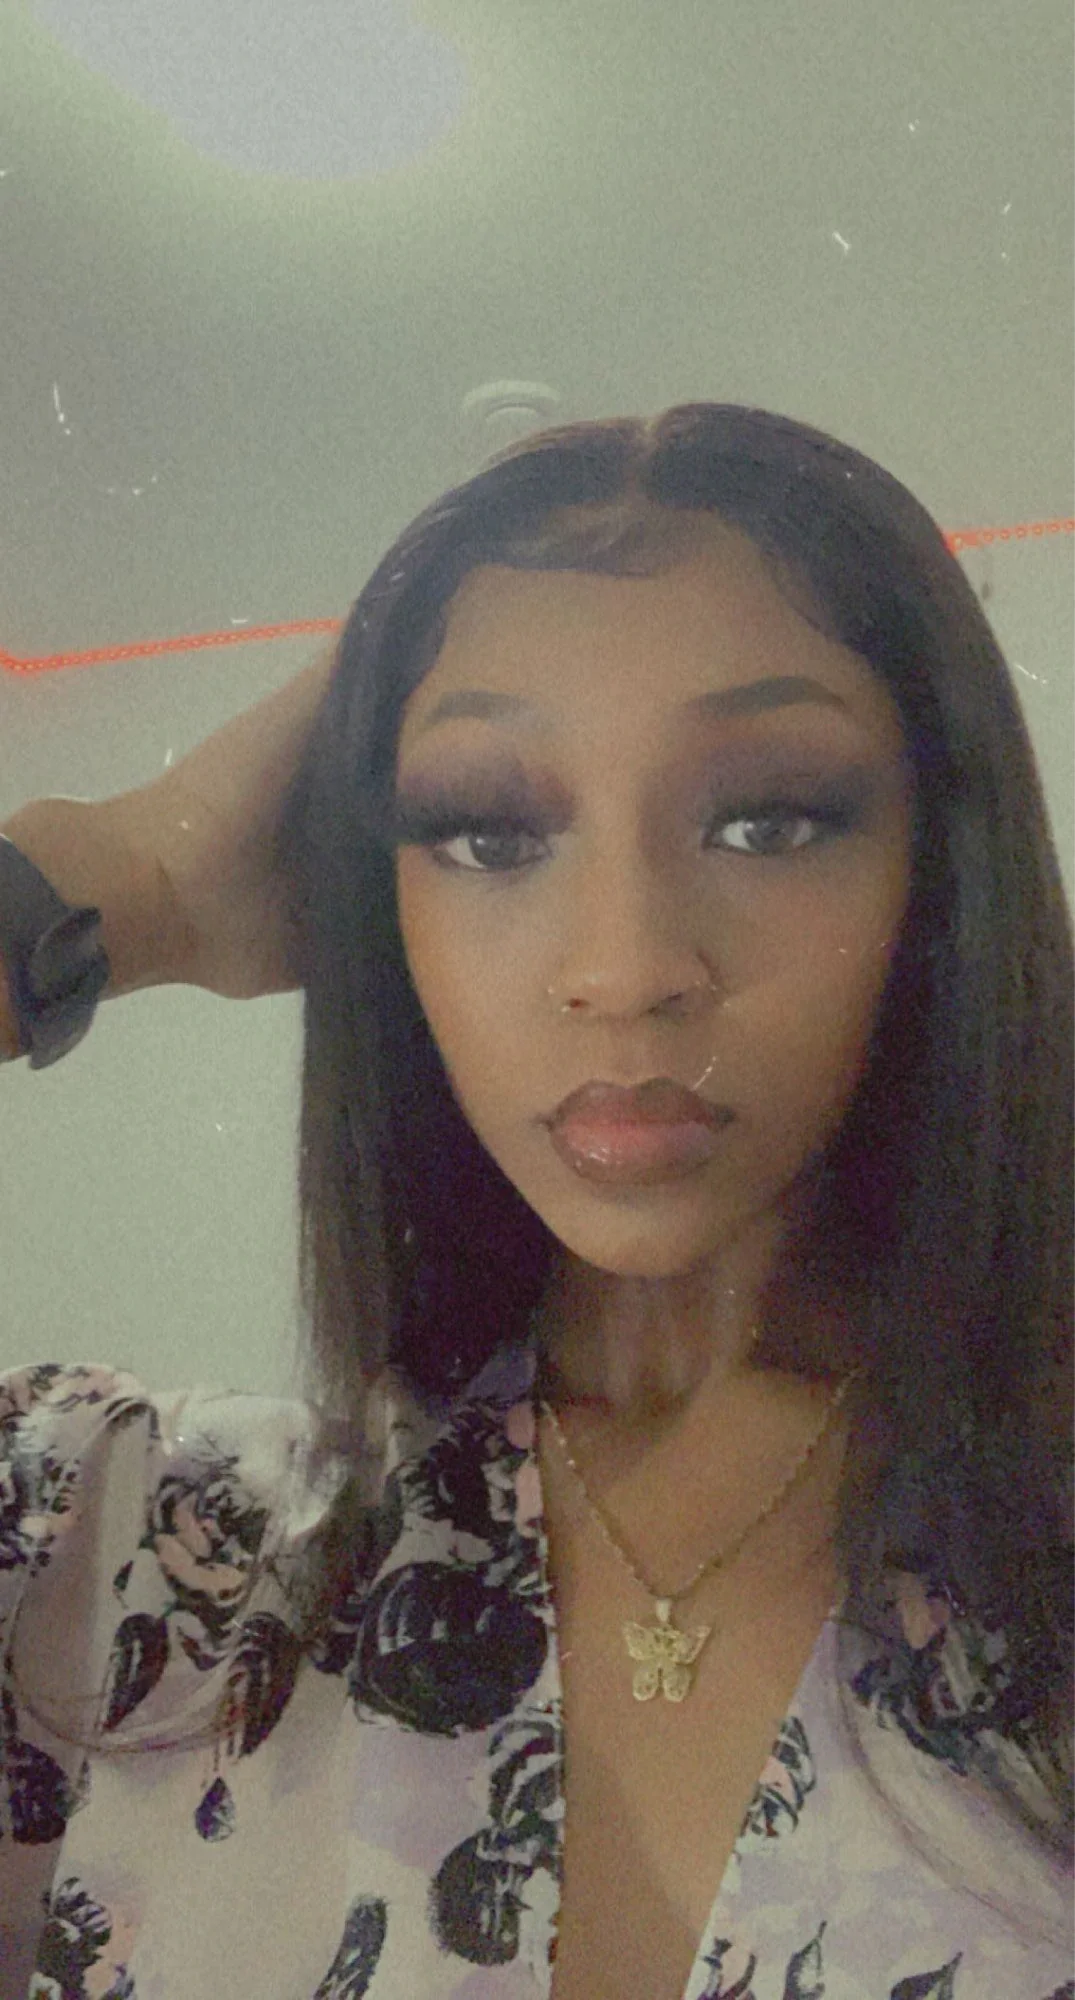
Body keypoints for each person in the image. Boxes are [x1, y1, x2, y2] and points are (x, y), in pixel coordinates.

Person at [0, 403, 1071, 2000]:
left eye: (769, 818)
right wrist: (115, 883)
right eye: (486, 831)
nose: (624, 968)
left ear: (937, 871)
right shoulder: (120, 1568)